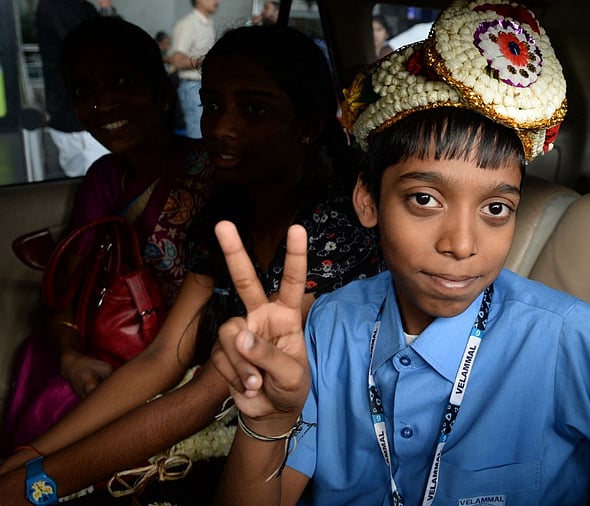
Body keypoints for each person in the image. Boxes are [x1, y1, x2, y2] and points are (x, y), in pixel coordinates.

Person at [212, 1, 590, 505]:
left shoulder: (567, 340)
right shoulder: (334, 323)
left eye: (496, 209)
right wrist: (270, 419)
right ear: (368, 201)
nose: (463, 244)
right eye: (424, 199)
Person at [0, 24, 381, 506]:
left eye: (254, 108)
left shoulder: (330, 226)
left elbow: (208, 393)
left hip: (325, 446)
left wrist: (36, 485)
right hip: (246, 416)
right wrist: (33, 453)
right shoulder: (228, 214)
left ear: (305, 125)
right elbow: (165, 356)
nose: (221, 127)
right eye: (213, 104)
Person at [0, 16, 215, 459]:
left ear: (160, 91)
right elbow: (67, 289)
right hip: (111, 349)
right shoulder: (103, 180)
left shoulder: (212, 172)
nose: (104, 103)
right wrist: (70, 356)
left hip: (191, 358)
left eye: (122, 81)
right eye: (85, 92)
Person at [35, 0, 110, 177]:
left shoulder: (83, 7)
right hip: (80, 120)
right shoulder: (58, 6)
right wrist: (107, 9)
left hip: (79, 114)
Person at [171, 0, 219, 139]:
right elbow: (178, 60)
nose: (217, 1)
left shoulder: (208, 23)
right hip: (192, 86)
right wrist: (209, 60)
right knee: (198, 135)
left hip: (204, 85)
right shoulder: (188, 23)